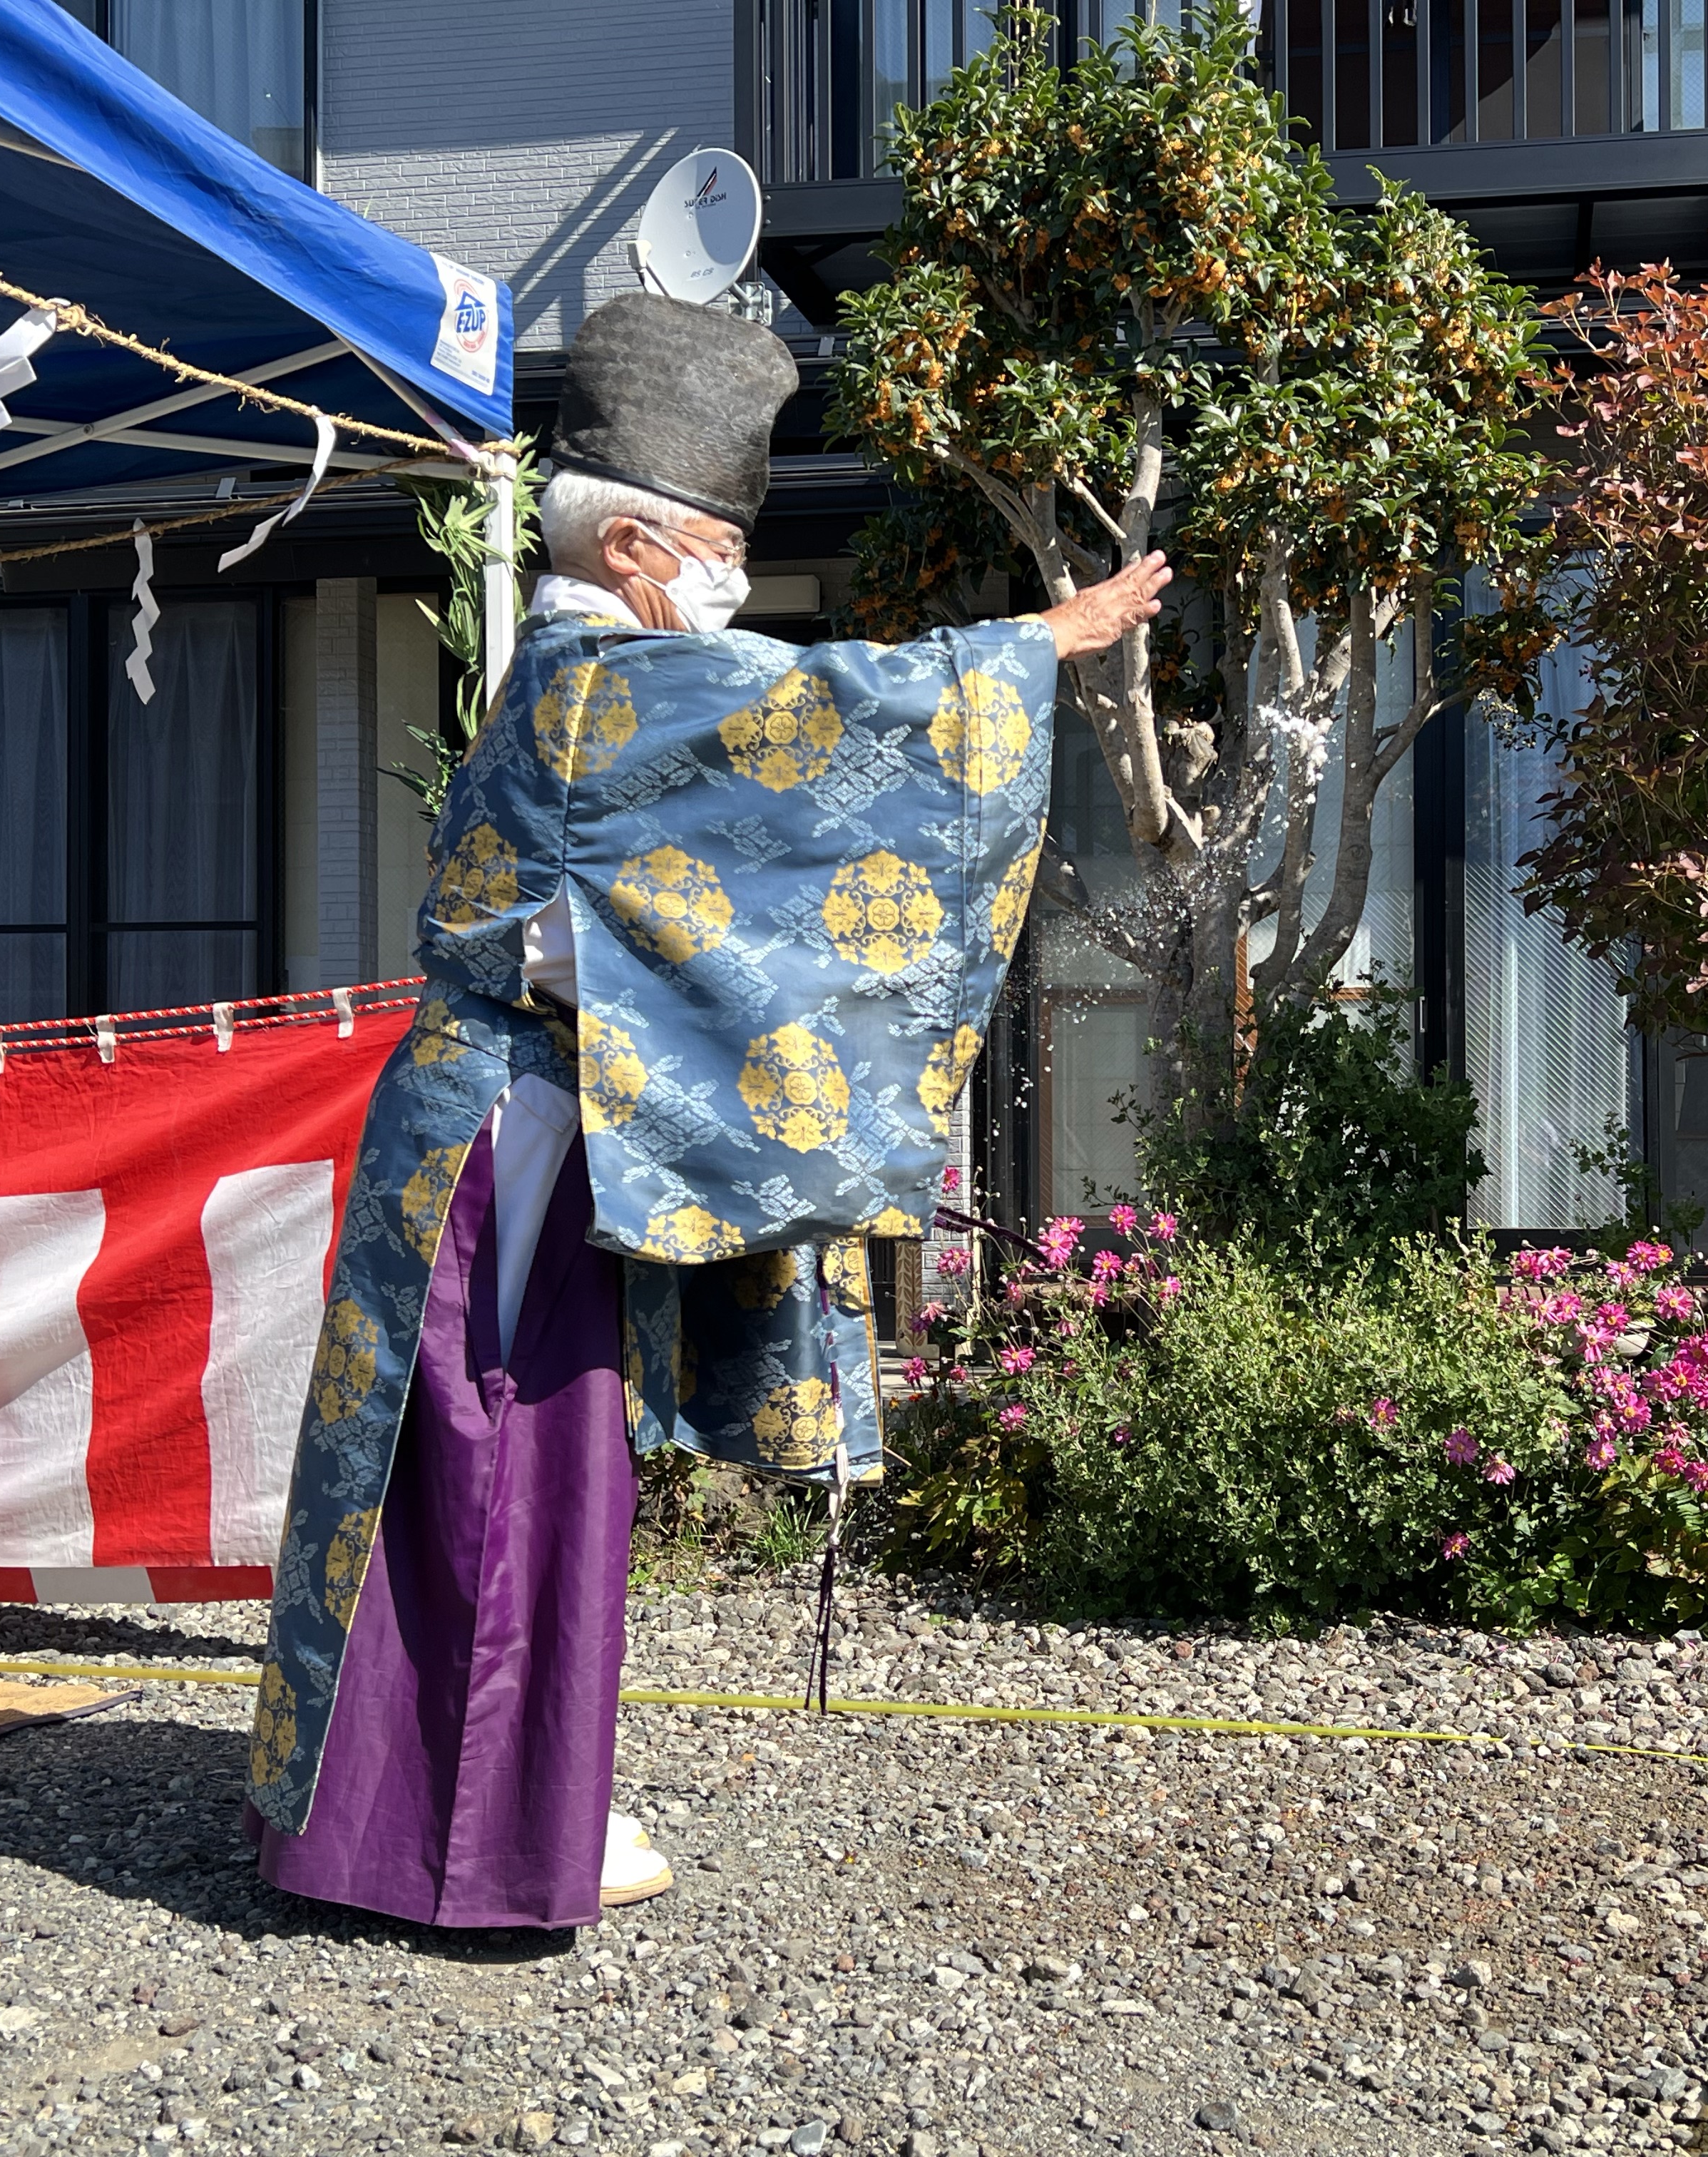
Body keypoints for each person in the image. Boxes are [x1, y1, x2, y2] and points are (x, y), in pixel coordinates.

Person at [244, 290, 1168, 1928]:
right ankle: (487, 1836)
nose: (732, 587)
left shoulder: (585, 679)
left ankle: (457, 1810)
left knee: (494, 1457)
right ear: (635, 556)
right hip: (512, 1128)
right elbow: (817, 719)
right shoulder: (603, 682)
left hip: (516, 1111)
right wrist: (1036, 646)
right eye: (715, 553)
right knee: (508, 1458)